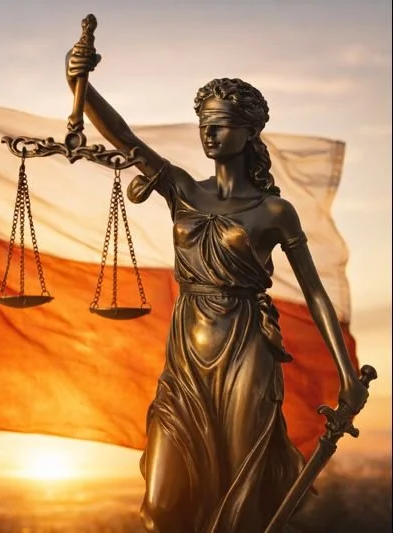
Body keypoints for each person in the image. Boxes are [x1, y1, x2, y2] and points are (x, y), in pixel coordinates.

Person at [66, 50, 369, 533]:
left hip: (246, 351)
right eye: (204, 124)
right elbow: (124, 139)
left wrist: (347, 374)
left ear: (250, 132)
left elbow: (314, 294)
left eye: (221, 125)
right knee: (163, 506)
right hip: (185, 354)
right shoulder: (182, 189)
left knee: (240, 496)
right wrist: (77, 80)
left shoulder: (274, 211)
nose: (208, 134)